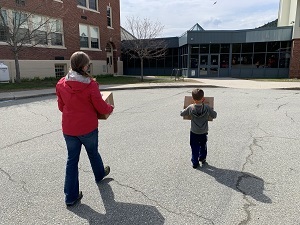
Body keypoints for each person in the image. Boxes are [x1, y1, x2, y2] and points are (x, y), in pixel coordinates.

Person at [56, 51, 114, 206]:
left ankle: (70, 196)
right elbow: (100, 106)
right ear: (83, 66)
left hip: (69, 128)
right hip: (88, 127)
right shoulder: (91, 84)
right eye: (87, 63)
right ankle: (99, 174)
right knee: (93, 152)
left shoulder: (61, 83)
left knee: (72, 161)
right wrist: (110, 107)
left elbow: (61, 106)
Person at [180, 88, 217, 169]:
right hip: (203, 131)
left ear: (193, 99)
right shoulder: (207, 107)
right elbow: (214, 115)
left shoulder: (190, 107)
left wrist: (181, 111)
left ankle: (195, 162)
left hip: (194, 132)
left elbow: (182, 114)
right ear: (203, 98)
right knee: (203, 145)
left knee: (194, 147)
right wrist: (213, 111)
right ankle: (202, 158)